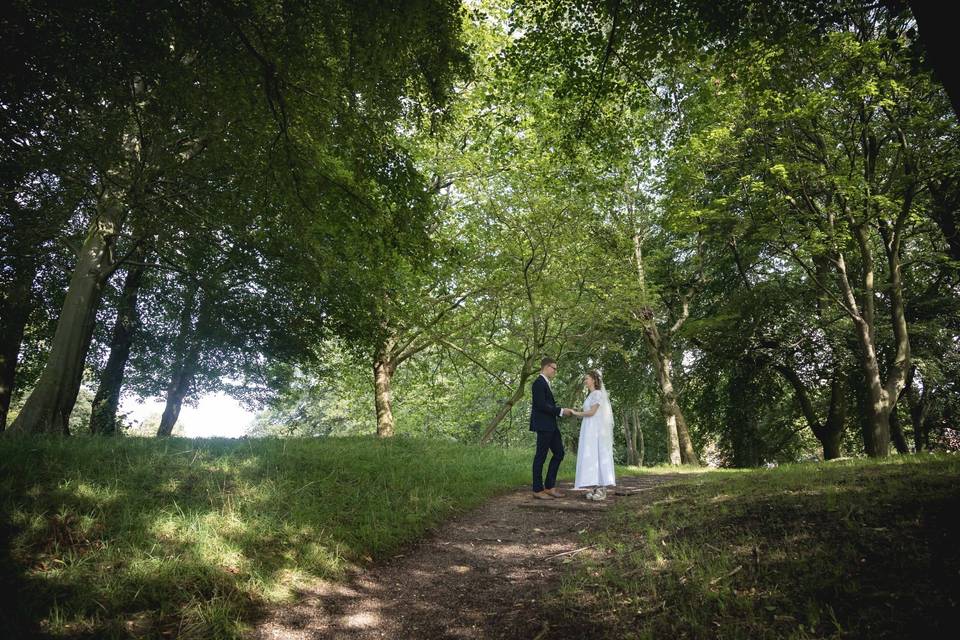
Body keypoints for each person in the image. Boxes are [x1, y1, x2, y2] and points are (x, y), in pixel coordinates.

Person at [530, 357, 571, 500]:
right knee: (540, 457)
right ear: (546, 367)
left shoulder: (546, 383)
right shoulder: (538, 383)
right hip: (543, 425)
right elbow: (541, 405)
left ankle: (549, 486)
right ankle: (537, 489)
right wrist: (560, 411)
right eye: (554, 368)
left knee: (559, 453)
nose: (555, 371)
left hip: (551, 425)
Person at [572, 369, 616, 501]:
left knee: (598, 453)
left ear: (594, 380)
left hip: (595, 429)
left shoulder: (597, 394)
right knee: (591, 455)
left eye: (587, 378)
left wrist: (575, 413)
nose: (585, 381)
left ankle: (602, 488)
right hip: (589, 428)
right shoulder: (590, 395)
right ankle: (594, 486)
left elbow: (592, 412)